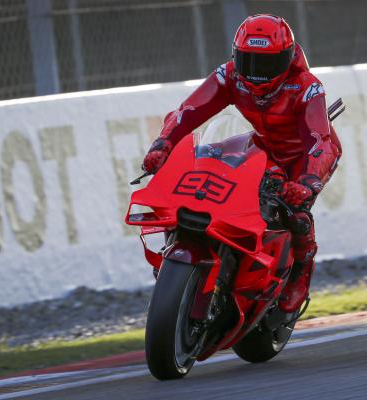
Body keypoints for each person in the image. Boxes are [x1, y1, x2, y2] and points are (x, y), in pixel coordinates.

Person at [142, 14, 342, 313]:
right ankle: (184, 250)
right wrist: (163, 144)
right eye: (251, 63)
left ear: (286, 59)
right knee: (206, 181)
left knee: (295, 214)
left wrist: (307, 182)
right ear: (237, 57)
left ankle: (299, 274)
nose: (258, 74)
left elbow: (320, 141)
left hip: (305, 158)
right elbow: (189, 111)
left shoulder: (307, 87)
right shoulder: (229, 75)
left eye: (268, 64)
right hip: (263, 147)